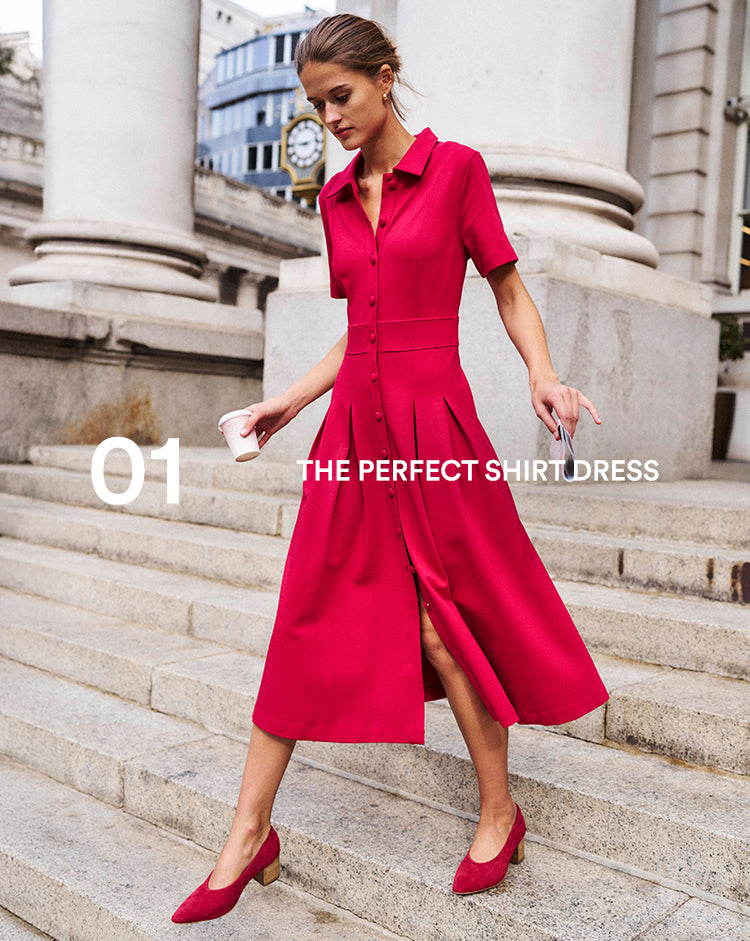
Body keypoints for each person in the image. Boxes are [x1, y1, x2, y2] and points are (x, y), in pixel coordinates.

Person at [172, 13, 609, 924]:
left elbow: (507, 286)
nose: (329, 116)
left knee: (444, 620)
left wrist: (542, 372)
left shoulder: (457, 172)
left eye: (342, 96)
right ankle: (249, 834)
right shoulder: (334, 201)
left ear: (385, 75)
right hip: (352, 438)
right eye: (316, 103)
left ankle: (499, 810)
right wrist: (287, 404)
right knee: (302, 618)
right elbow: (360, 326)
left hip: (433, 426)